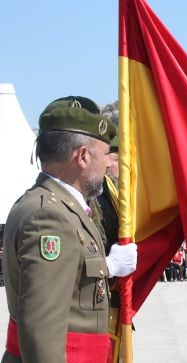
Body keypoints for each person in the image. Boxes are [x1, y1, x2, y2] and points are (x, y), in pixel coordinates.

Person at [1, 96, 137, 362]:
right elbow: (42, 331)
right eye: (102, 155)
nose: (106, 164)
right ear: (83, 157)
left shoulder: (56, 207)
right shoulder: (50, 216)